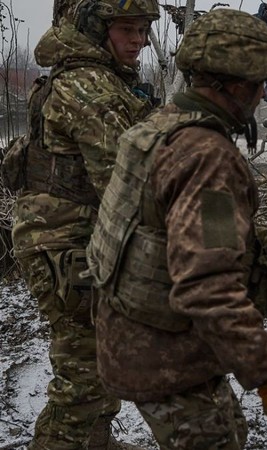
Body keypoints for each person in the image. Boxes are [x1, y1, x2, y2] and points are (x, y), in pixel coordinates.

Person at [85, 8, 267, 450]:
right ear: (237, 85)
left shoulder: (158, 126)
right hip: (168, 358)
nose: (263, 96)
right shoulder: (206, 158)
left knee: (231, 431)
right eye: (261, 85)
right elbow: (208, 286)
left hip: (133, 338)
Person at [8, 0, 159, 449]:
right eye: (128, 29)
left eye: (144, 29)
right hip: (62, 246)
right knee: (84, 379)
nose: (140, 40)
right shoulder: (90, 89)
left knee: (101, 362)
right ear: (97, 28)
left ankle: (95, 443)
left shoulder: (94, 78)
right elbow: (127, 187)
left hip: (76, 239)